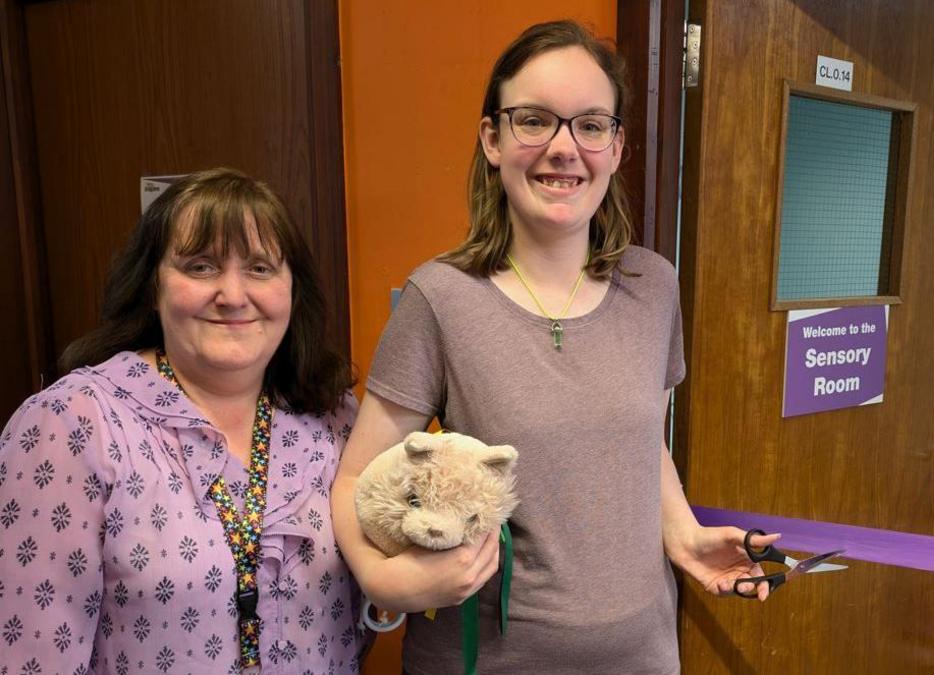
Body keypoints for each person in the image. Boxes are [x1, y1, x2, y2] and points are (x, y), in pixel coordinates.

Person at [331, 21, 778, 674]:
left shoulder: (653, 285)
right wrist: (383, 579)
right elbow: (353, 479)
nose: (563, 148)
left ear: (617, 145)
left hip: (643, 656)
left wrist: (683, 535)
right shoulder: (441, 298)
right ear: (492, 138)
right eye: (534, 120)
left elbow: (638, 440)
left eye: (590, 125)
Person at [0, 168, 367, 673]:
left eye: (260, 268)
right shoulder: (72, 425)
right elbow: (31, 655)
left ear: (293, 291)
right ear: (152, 286)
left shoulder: (336, 419)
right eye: (200, 267)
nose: (233, 295)